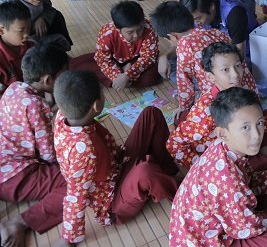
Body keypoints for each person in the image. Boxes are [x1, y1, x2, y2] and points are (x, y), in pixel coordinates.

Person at [168, 87, 267, 247]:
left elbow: (249, 176)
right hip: (213, 240)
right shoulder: (226, 179)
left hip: (230, 211)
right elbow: (245, 227)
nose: (257, 135)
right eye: (245, 127)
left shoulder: (224, 145)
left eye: (260, 123)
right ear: (222, 133)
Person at [52, 70, 178, 245]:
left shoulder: (64, 115)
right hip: (113, 203)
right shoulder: (84, 151)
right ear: (97, 106)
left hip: (118, 164)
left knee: (151, 113)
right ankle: (181, 196)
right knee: (146, 171)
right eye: (103, 93)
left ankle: (167, 170)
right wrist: (68, 237)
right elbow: (75, 195)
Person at [166, 42, 267, 176]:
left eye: (238, 66)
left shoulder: (242, 87)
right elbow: (174, 144)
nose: (235, 74)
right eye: (225, 70)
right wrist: (202, 167)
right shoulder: (205, 112)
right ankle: (260, 158)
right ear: (210, 77)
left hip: (242, 138)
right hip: (222, 157)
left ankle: (260, 156)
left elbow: (255, 119)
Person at [0, 43, 69, 246]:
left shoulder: (13, 88)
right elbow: (49, 155)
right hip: (14, 178)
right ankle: (20, 222)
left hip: (4, 168)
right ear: (48, 80)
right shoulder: (37, 105)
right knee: (78, 182)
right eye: (63, 75)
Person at [150, 1, 232, 119]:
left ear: (172, 36)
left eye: (168, 40)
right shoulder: (215, 32)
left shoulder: (184, 45)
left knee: (181, 119)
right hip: (240, 86)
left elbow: (184, 82)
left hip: (222, 100)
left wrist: (183, 107)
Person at [70, 1, 160, 91]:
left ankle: (121, 81)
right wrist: (117, 75)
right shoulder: (107, 33)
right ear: (118, 29)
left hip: (136, 60)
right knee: (74, 65)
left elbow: (148, 57)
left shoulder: (149, 29)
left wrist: (128, 74)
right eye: (130, 32)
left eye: (139, 29)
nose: (136, 35)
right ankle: (122, 79)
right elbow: (103, 59)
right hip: (113, 60)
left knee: (152, 76)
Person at [0, 0, 73, 49]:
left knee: (57, 16)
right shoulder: (5, 1)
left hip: (32, 25)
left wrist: (42, 17)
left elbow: (48, 7)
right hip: (17, 32)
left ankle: (61, 48)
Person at [180, 0, 258, 58]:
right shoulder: (202, 7)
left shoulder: (234, 13)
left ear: (211, 7)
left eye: (198, 18)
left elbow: (240, 54)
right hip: (222, 47)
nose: (196, 23)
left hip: (250, 49)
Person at [0, 1, 32, 95]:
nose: (27, 34)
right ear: (1, 30)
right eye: (21, 31)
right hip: (11, 101)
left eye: (28, 29)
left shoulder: (32, 46)